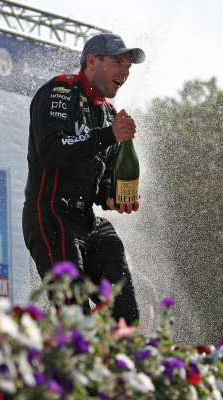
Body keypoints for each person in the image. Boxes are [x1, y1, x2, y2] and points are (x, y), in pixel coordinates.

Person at [22, 33, 145, 325]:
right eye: (118, 62)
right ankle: (62, 363)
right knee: (74, 313)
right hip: (50, 214)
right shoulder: (60, 91)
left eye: (128, 64)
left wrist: (111, 198)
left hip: (87, 220)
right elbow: (51, 153)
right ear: (92, 61)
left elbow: (101, 183)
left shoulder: (109, 114)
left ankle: (120, 365)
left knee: (126, 315)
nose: (125, 71)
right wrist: (108, 135)